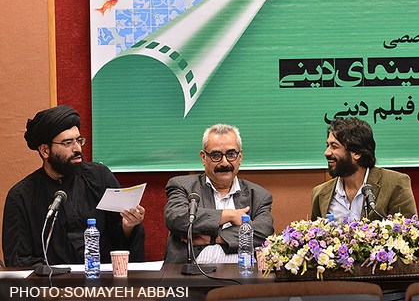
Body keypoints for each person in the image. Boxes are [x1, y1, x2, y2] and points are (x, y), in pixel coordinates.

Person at [3, 105, 145, 267]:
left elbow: (119, 238)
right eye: (67, 143)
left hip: (103, 278)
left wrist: (129, 226)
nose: (77, 149)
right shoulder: (21, 196)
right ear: (45, 150)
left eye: (78, 140)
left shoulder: (99, 177)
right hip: (51, 282)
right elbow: (18, 261)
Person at [164, 124, 274, 263]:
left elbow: (264, 232)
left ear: (240, 157)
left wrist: (213, 239)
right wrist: (230, 215)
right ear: (203, 157)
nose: (224, 162)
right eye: (216, 155)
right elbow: (177, 218)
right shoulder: (182, 186)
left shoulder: (258, 195)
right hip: (189, 272)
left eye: (231, 154)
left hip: (241, 274)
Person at [311, 117, 417, 221]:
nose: (326, 153)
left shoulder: (395, 184)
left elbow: (407, 229)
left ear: (357, 153)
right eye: (327, 146)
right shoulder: (320, 193)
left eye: (334, 146)